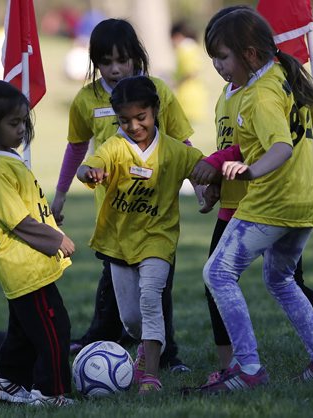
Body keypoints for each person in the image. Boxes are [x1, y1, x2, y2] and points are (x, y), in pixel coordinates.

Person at [191, 4, 313, 385]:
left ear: (249, 54)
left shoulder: (262, 95)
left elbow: (281, 147)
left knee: (218, 272)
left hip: (272, 201)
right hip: (303, 199)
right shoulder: (282, 75)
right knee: (280, 278)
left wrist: (253, 169)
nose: (217, 66)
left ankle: (249, 368)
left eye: (222, 57)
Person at [52, 18, 200, 372]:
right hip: (114, 216)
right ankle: (105, 340)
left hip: (157, 215)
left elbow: (182, 143)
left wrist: (202, 186)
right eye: (106, 61)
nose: (116, 69)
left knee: (157, 288)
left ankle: (166, 356)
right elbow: (76, 149)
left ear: (137, 56)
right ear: (95, 62)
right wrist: (60, 195)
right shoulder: (87, 99)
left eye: (123, 60)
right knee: (118, 288)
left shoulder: (158, 91)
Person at [76, 75, 203, 394]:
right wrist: (89, 172)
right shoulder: (115, 147)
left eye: (140, 118)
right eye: (124, 120)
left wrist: (209, 188)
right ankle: (145, 350)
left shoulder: (174, 151)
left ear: (155, 110)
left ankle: (150, 377)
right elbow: (88, 165)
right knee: (132, 320)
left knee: (150, 299)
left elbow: (202, 167)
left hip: (158, 241)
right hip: (118, 242)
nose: (133, 126)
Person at [0, 80, 76, 407]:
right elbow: (17, 220)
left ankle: (6, 381)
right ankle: (50, 392)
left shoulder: (6, 161)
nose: (22, 129)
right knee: (54, 329)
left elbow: (26, 208)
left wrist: (51, 218)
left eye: (24, 121)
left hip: (27, 264)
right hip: (24, 266)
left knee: (25, 330)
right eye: (14, 123)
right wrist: (56, 238)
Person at [170, 20, 208, 124]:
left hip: (187, 94)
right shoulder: (194, 47)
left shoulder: (184, 49)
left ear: (177, 36)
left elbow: (191, 72)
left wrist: (176, 82)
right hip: (197, 91)